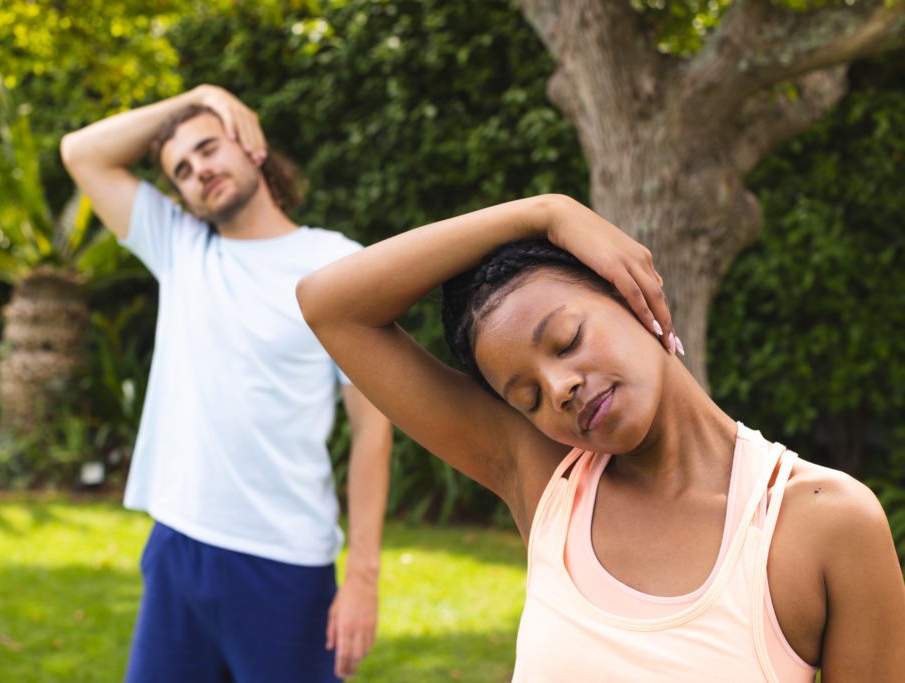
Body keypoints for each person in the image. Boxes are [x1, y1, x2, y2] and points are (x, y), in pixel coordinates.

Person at [296, 194, 905, 680]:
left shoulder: (822, 522)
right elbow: (330, 305)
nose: (559, 388)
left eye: (567, 341)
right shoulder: (547, 482)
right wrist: (544, 212)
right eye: (526, 397)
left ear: (633, 295)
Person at [60, 84, 392, 682]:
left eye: (209, 147)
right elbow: (81, 152)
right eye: (181, 170)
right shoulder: (181, 247)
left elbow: (373, 426)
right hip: (177, 548)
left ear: (251, 145)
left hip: (284, 563)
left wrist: (363, 576)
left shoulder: (336, 263)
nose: (199, 171)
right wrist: (198, 96)